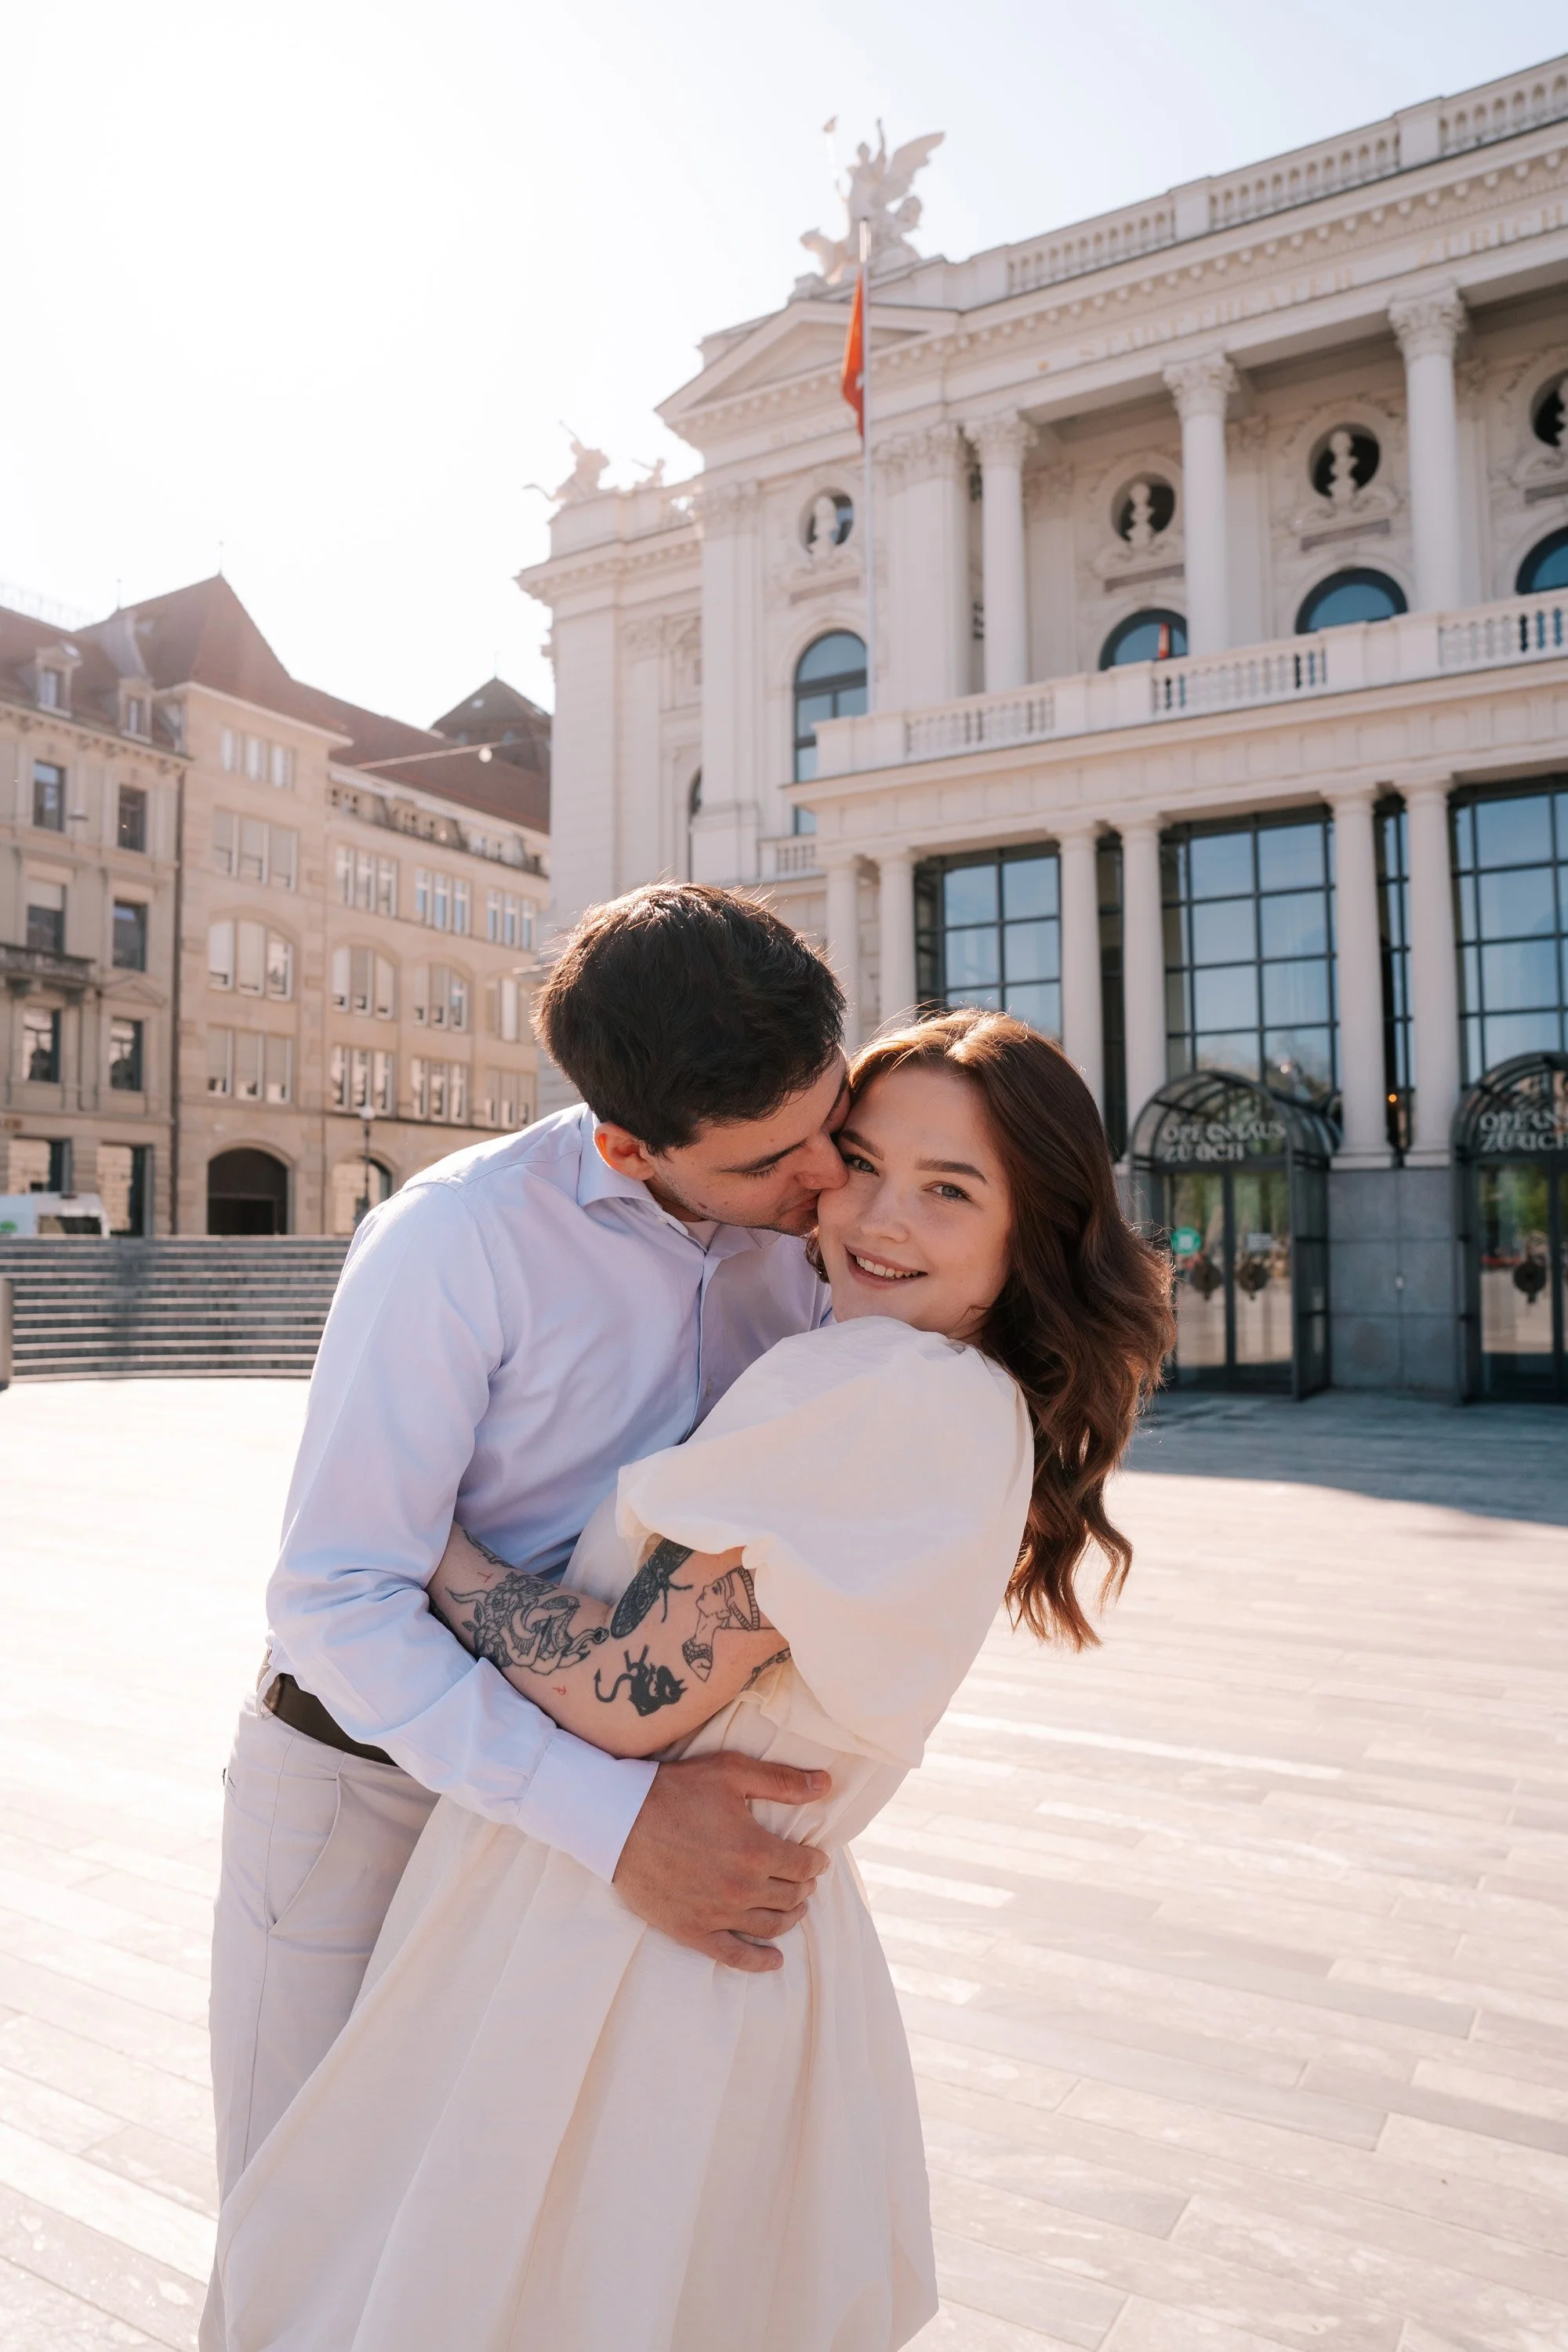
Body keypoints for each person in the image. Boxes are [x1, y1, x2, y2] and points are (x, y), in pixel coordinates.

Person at [213, 1008, 1174, 2352]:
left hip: (618, 1926)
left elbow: (621, 1686)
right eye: (857, 1159)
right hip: (543, 1852)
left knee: (384, 2283)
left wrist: (431, 1547)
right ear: (634, 1138)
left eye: (948, 1190)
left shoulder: (881, 1379)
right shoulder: (907, 1363)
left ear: (1038, 1226)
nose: (859, 1210)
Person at [202, 886, 857, 2343]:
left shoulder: (824, 1230)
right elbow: (335, 1598)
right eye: (772, 1159)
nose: (829, 1175)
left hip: (603, 1810)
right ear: (628, 1146)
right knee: (303, 2245)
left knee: (501, 2256)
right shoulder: (452, 1244)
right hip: (361, 1799)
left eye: (834, 1112)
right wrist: (616, 1826)